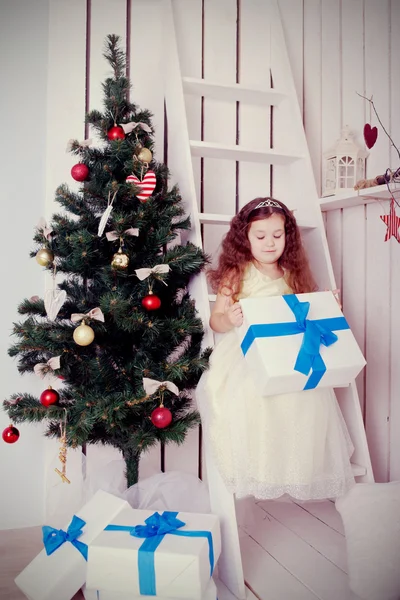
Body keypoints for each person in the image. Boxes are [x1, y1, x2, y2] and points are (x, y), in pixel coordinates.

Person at [196, 197, 355, 501]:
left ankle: (291, 467)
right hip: (246, 352)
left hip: (284, 352)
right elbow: (216, 321)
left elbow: (303, 313)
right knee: (251, 398)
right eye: (260, 236)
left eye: (277, 235)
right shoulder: (238, 272)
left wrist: (327, 306)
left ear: (288, 236)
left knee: (302, 397)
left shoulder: (291, 272)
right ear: (245, 237)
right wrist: (228, 318)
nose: (269, 243)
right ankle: (261, 467)